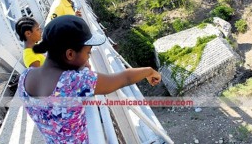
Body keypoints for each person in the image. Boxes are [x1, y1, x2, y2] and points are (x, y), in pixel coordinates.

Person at [18, 15, 161, 143]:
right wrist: (149, 71)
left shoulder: (25, 77)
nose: (88, 57)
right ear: (70, 54)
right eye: (88, 52)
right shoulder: (75, 82)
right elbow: (124, 78)